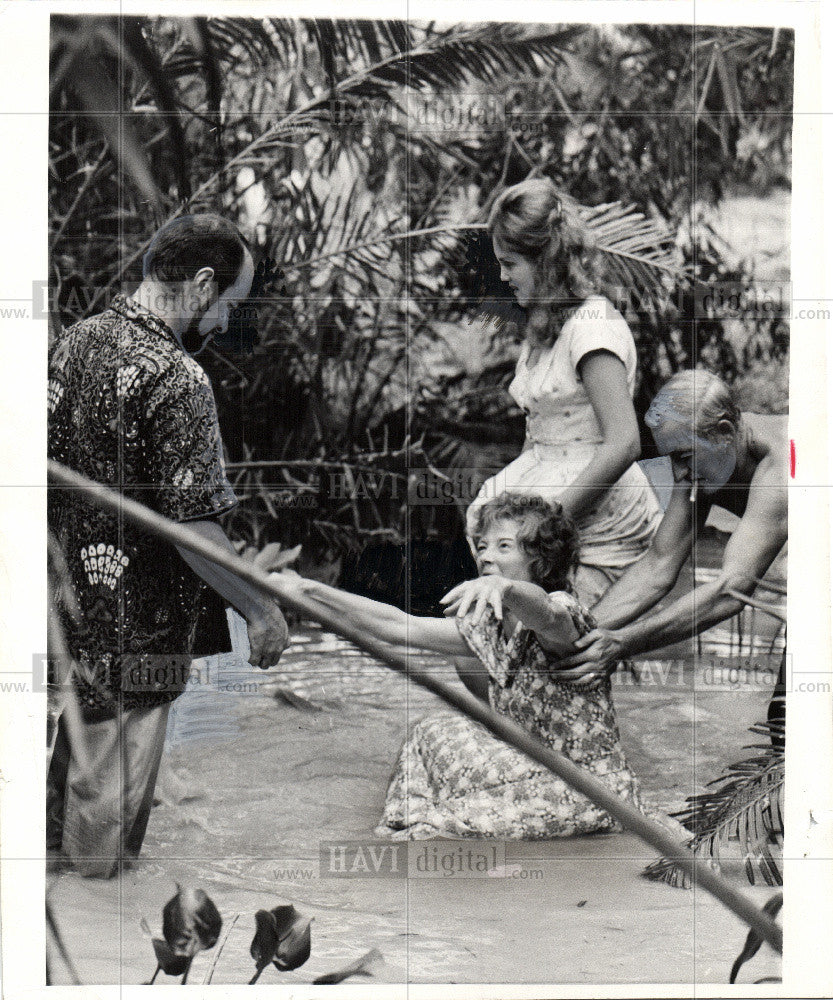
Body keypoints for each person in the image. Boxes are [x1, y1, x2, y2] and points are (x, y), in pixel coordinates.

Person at [47, 214, 289, 876]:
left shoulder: (76, 341)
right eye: (228, 307)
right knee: (103, 860)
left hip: (64, 627)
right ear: (202, 283)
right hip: (136, 646)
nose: (222, 326)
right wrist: (260, 610)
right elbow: (196, 528)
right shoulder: (177, 377)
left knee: (51, 841)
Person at [280, 494, 643, 839]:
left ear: (542, 562)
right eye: (483, 547)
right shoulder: (492, 625)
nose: (486, 557)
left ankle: (430, 828)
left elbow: (545, 613)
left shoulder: (564, 614)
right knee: (434, 731)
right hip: (536, 773)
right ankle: (411, 824)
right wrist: (310, 591)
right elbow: (400, 626)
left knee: (435, 826)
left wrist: (507, 588)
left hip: (589, 791)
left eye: (504, 546)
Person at [559, 370, 788, 740]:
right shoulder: (706, 461)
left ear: (727, 432)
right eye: (670, 459)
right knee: (784, 728)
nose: (678, 473)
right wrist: (580, 634)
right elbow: (659, 564)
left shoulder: (781, 464)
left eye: (684, 456)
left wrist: (621, 643)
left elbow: (733, 589)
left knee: (793, 726)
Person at [466, 177, 662, 606]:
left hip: (597, 502)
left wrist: (547, 523)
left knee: (562, 642)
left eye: (511, 262)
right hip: (546, 477)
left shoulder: (592, 325)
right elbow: (537, 432)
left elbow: (624, 442)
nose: (502, 275)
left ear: (546, 260)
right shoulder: (543, 327)